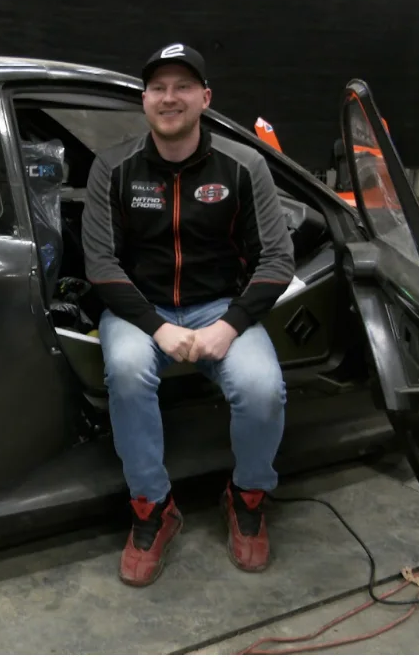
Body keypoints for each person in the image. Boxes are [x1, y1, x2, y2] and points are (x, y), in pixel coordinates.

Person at [81, 43, 295, 586]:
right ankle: (153, 508)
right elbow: (101, 266)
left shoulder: (246, 166)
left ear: (205, 98)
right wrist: (159, 328)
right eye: (158, 87)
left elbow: (277, 259)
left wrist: (228, 326)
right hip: (140, 309)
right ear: (144, 99)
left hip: (221, 308)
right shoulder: (114, 168)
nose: (169, 97)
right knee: (127, 372)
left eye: (182, 87)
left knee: (263, 387)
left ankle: (246, 496)